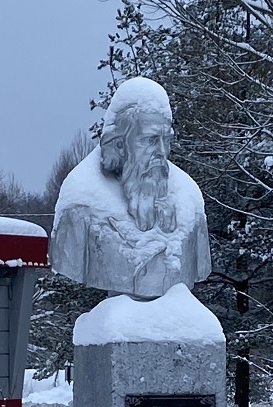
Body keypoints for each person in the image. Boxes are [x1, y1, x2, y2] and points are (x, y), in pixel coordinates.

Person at [49, 77, 211, 299]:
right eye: (151, 140)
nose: (162, 152)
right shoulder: (80, 204)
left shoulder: (190, 201)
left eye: (167, 140)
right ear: (119, 144)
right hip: (116, 323)